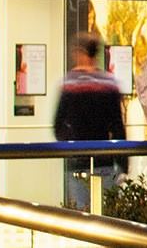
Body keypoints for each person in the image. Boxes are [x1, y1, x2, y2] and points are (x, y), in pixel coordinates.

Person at [50, 31, 126, 211]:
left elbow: (58, 123)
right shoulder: (109, 83)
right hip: (105, 160)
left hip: (77, 160)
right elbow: (117, 125)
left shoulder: (70, 83)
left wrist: (70, 145)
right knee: (106, 212)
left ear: (81, 53)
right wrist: (123, 163)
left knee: (80, 215)